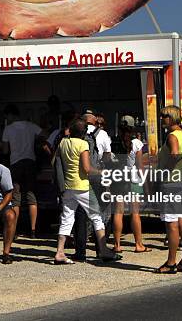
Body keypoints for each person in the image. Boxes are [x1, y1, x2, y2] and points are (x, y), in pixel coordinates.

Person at [54, 119, 121, 264]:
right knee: (97, 216)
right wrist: (101, 172)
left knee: (67, 218)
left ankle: (59, 252)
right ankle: (103, 250)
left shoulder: (63, 143)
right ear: (84, 133)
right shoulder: (83, 144)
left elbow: (57, 161)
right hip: (83, 186)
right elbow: (87, 168)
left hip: (68, 186)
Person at [155, 105, 182, 274]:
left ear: (171, 118)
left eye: (164, 116)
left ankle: (171, 262)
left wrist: (165, 169)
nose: (161, 118)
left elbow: (175, 154)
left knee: (171, 223)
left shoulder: (172, 136)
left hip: (171, 182)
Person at [72, 108, 112, 260]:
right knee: (101, 212)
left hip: (81, 177)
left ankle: (80, 252)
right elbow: (108, 156)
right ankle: (100, 248)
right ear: (95, 120)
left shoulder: (76, 133)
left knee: (81, 215)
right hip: (97, 176)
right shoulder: (102, 134)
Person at [2, 103, 45, 238]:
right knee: (31, 197)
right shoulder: (30, 125)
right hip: (30, 163)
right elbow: (45, 134)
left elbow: (5, 150)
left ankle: (14, 229)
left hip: (15, 164)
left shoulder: (8, 129)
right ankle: (33, 230)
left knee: (16, 198)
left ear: (10, 115)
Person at [111, 118, 150, 254]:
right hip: (133, 180)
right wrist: (146, 184)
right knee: (135, 213)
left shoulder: (114, 142)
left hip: (118, 179)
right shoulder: (137, 143)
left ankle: (117, 245)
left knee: (118, 212)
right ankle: (138, 244)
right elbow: (140, 166)